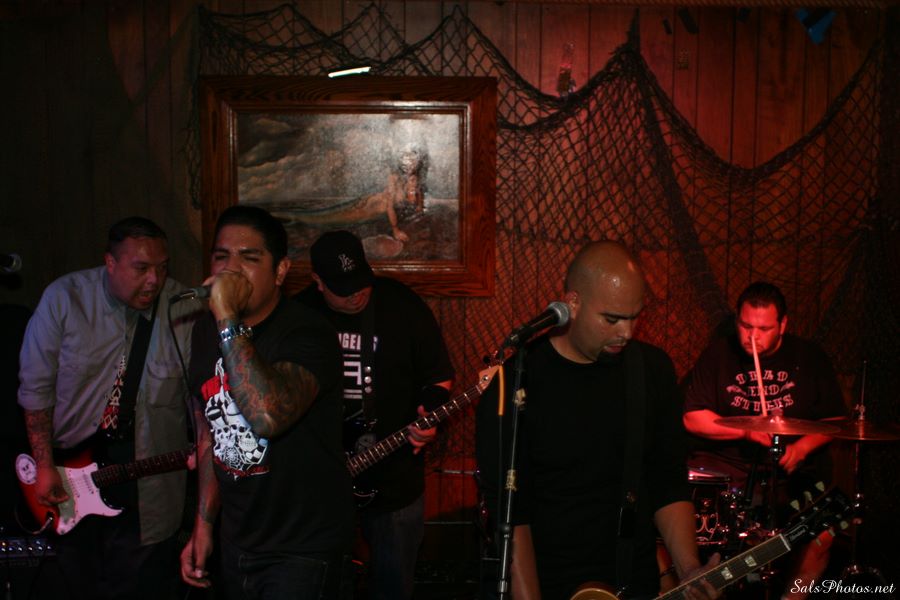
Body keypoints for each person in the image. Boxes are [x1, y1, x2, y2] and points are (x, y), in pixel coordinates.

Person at [476, 240, 719, 600]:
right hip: (549, 582)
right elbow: (512, 514)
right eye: (612, 319)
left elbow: (667, 479)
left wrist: (688, 569)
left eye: (635, 317)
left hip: (630, 580)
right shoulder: (517, 382)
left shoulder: (650, 370)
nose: (627, 332)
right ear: (572, 303)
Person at [17, 217, 200, 600]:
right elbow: (36, 388)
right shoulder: (65, 299)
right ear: (110, 263)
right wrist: (44, 464)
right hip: (72, 481)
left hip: (150, 486)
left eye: (162, 267)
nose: (154, 280)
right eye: (141, 268)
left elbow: (201, 401)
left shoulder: (182, 307)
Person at [179, 206, 354, 600]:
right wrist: (204, 526)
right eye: (221, 256)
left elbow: (268, 416)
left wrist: (227, 318)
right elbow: (210, 435)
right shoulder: (205, 332)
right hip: (238, 539)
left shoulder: (308, 333)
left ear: (280, 271)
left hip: (303, 548)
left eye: (249, 257)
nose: (231, 269)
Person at [295, 229, 454, 600]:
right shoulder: (298, 315)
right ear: (318, 281)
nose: (356, 294)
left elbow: (439, 375)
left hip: (393, 477)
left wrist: (429, 414)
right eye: (343, 289)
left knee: (393, 585)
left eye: (360, 282)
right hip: (318, 481)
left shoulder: (402, 304)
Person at [682, 281, 846, 600]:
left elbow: (836, 423)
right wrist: (745, 432)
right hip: (730, 471)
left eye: (764, 328)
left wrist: (802, 447)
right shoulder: (719, 354)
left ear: (782, 325)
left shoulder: (809, 357)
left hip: (789, 474)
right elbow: (691, 417)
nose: (752, 337)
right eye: (746, 326)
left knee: (822, 535)